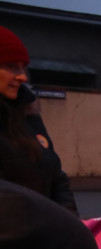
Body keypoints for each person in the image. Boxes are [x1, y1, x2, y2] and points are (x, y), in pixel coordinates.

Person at [0, 26, 76, 213]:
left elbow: (57, 178)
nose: (22, 76)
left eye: (23, 67)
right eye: (12, 66)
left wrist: (70, 223)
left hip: (48, 235)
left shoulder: (29, 115)